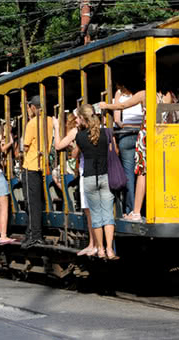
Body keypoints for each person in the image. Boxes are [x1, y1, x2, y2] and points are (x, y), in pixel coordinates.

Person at [100, 84, 175, 222]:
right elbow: (169, 118)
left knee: (142, 173)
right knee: (159, 173)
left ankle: (136, 212)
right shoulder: (168, 95)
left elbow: (122, 106)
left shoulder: (145, 94)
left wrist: (106, 106)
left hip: (146, 136)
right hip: (162, 136)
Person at [54, 104, 118, 259]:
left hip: (89, 178)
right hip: (105, 177)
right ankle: (110, 250)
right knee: (108, 215)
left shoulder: (79, 135)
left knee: (95, 216)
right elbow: (115, 151)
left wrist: (57, 127)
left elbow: (61, 148)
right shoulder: (107, 132)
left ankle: (100, 249)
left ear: (82, 119)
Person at [54, 111, 96, 256]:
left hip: (86, 171)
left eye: (78, 117)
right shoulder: (101, 128)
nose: (76, 119)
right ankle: (100, 245)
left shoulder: (77, 132)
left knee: (89, 210)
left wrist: (55, 128)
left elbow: (60, 147)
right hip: (100, 171)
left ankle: (93, 243)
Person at [21, 95, 53, 249]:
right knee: (38, 202)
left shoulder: (32, 123)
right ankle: (31, 233)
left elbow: (25, 146)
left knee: (31, 203)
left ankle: (35, 235)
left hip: (31, 165)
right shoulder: (50, 121)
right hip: (43, 165)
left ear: (33, 107)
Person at [113, 83, 144, 216]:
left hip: (125, 134)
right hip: (142, 134)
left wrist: (123, 125)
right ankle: (144, 208)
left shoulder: (119, 93)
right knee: (142, 173)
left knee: (129, 174)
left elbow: (117, 119)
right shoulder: (143, 92)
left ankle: (131, 209)